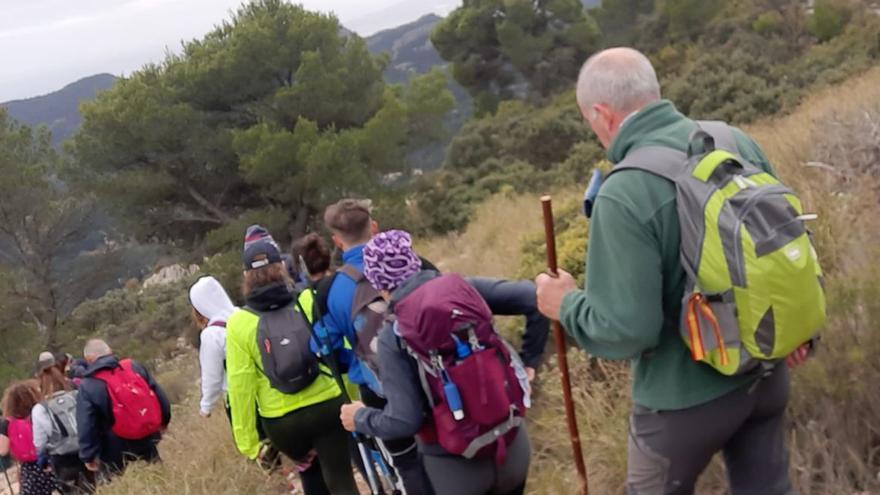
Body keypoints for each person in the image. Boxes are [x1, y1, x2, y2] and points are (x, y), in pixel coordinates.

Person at [534, 47, 813, 495]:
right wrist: (798, 329)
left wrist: (564, 304)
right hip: (765, 376)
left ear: (601, 114)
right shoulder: (735, 141)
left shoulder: (623, 192)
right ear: (654, 93)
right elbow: (787, 239)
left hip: (684, 401)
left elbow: (628, 330)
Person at [340, 230, 532, 495]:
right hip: (513, 449)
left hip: (455, 469)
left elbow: (404, 421)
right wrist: (530, 359)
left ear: (379, 285)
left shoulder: (393, 334)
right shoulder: (466, 289)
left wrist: (361, 417)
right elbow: (533, 297)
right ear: (414, 260)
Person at [225, 225, 357, 495]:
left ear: (246, 276)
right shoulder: (309, 299)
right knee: (342, 479)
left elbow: (240, 388)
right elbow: (340, 352)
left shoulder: (238, 323)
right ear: (282, 267)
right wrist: (353, 399)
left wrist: (250, 444)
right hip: (327, 406)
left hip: (282, 423)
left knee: (310, 476)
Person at [76, 339, 171, 475]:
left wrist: (88, 455)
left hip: (114, 446)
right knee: (157, 474)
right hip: (147, 434)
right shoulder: (133, 366)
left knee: (116, 482)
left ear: (89, 360)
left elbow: (86, 424)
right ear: (110, 352)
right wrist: (164, 421)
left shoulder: (88, 385)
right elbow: (157, 393)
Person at [33, 365, 93, 493]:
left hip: (62, 457)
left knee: (72, 490)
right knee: (96, 486)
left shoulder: (40, 409)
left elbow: (40, 442)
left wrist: (42, 458)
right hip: (87, 448)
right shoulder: (77, 395)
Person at [188, 276, 236, 419]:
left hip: (239, 398)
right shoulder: (242, 314)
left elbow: (212, 377)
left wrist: (206, 406)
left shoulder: (212, 334)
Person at [1, 381, 59, 495]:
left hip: (29, 469)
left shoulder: (6, 422)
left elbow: (2, 450)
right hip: (51, 461)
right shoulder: (41, 412)